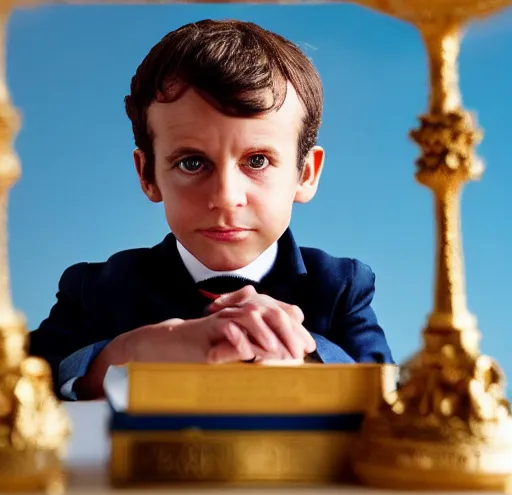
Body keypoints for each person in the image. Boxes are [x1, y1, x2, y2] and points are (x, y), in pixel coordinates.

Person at [29, 19, 394, 401]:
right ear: (148, 174)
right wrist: (127, 353)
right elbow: (24, 387)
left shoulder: (339, 288)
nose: (225, 197)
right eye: (191, 163)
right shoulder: (95, 290)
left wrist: (303, 351)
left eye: (256, 161)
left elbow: (388, 398)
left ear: (305, 174)